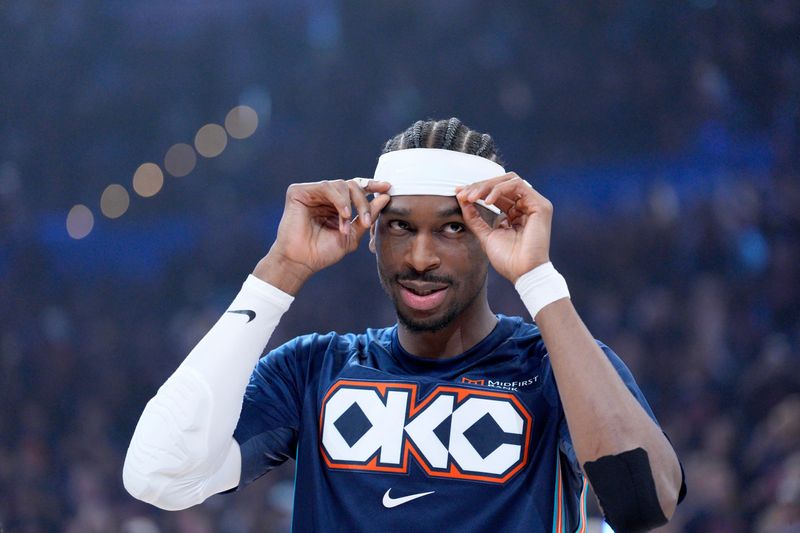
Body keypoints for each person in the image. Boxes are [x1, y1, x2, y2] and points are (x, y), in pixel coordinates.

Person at [123, 117, 686, 532]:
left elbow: (644, 504)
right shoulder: (312, 370)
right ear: (370, 235)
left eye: (452, 229)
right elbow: (157, 474)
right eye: (398, 227)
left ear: (494, 238)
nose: (420, 257)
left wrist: (538, 279)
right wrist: (279, 273)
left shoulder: (558, 366)